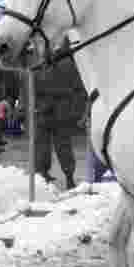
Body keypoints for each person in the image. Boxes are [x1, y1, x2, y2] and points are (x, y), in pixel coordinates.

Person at [32, 37, 87, 190]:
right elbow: (31, 87)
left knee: (60, 145)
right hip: (48, 110)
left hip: (57, 110)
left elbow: (77, 89)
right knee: (46, 145)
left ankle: (66, 176)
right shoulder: (42, 65)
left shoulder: (64, 64)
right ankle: (46, 173)